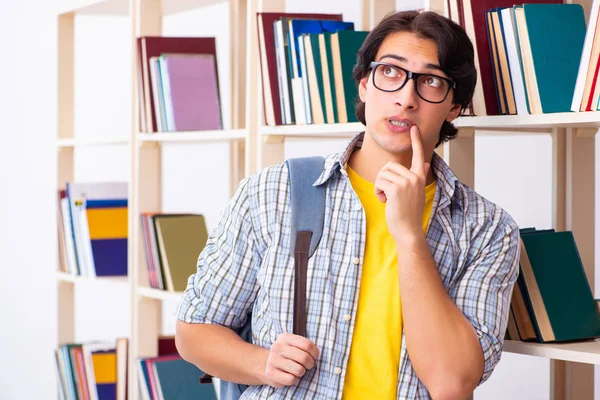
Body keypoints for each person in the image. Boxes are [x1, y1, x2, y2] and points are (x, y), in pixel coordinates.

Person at [175, 9, 520, 400]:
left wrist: (409, 237)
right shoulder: (273, 192)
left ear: (454, 106)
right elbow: (195, 331)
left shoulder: (486, 228)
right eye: (390, 72)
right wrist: (261, 363)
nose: (406, 99)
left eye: (431, 81)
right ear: (363, 84)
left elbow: (452, 383)